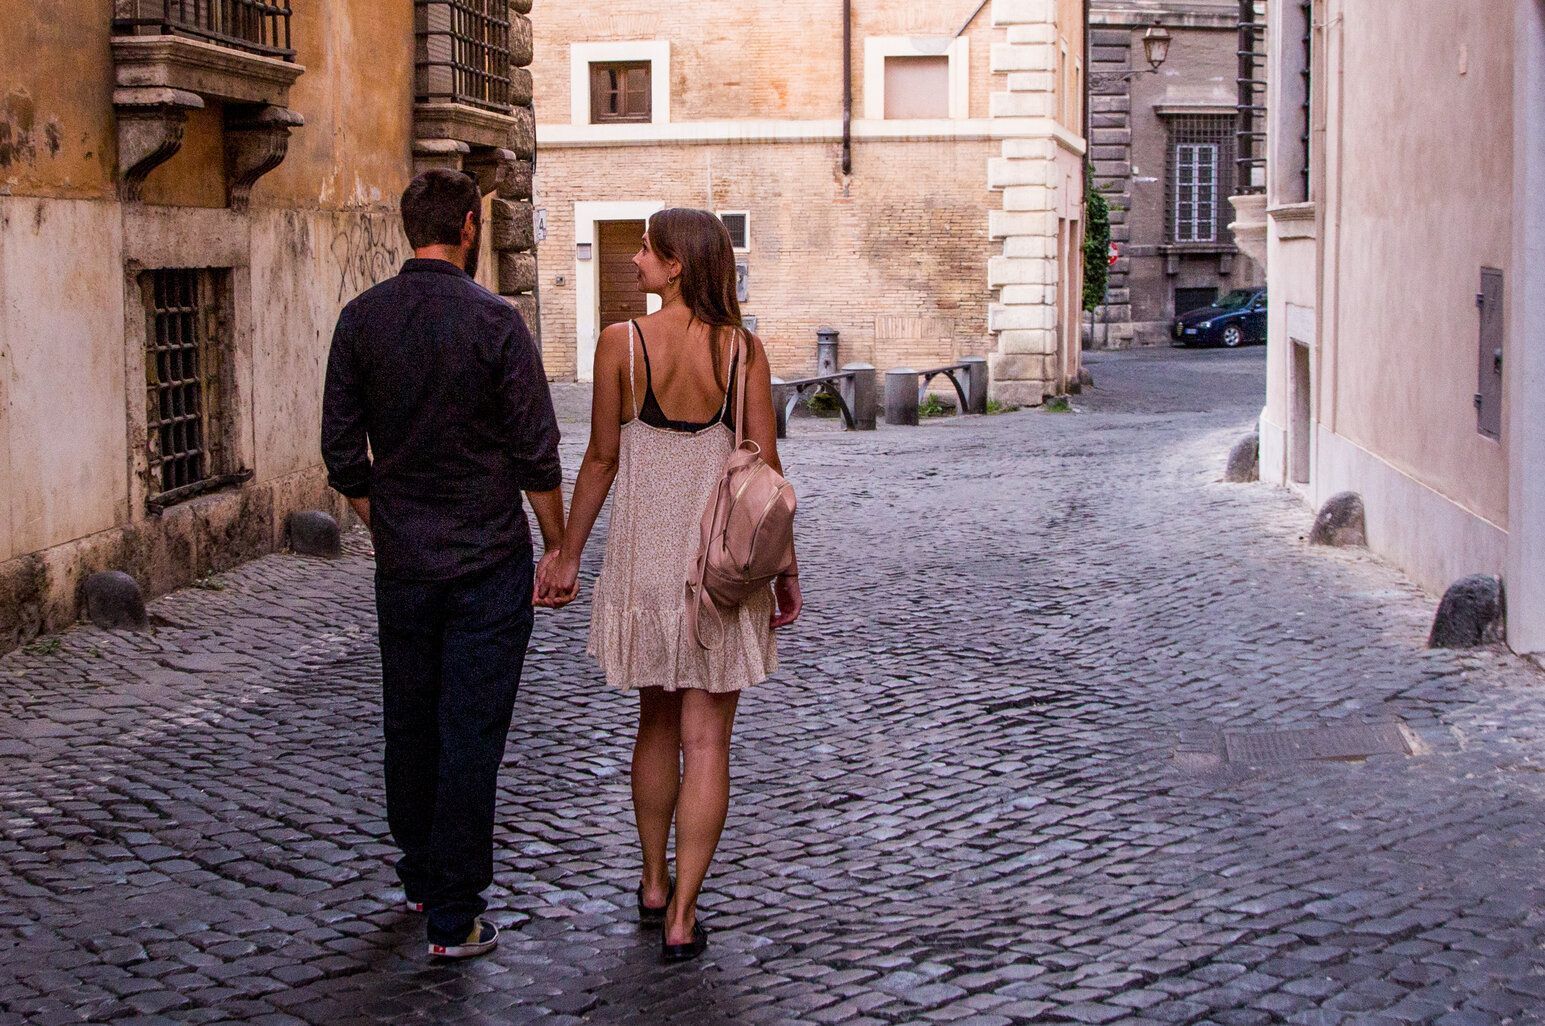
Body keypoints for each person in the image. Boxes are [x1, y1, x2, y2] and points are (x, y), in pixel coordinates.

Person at [539, 208, 802, 963]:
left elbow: (599, 461)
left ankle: (652, 881)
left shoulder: (620, 344)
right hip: (722, 566)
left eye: (646, 251)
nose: (635, 263)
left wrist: (564, 553)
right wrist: (786, 568)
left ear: (677, 263)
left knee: (654, 724)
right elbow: (765, 469)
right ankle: (685, 915)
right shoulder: (742, 352)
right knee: (707, 738)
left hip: (646, 561)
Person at [321, 168, 566, 960]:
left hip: (406, 564)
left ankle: (421, 869)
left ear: (407, 227)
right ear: (468, 227)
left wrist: (384, 520)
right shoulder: (496, 323)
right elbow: (536, 455)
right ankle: (453, 912)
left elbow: (340, 453)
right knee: (471, 731)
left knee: (411, 716)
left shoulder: (360, 321)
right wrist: (558, 544)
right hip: (489, 560)